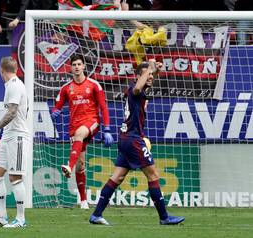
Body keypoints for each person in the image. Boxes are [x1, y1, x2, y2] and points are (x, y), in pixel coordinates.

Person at [89, 59, 185, 225]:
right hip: (133, 139)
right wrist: (151, 66)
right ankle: (164, 217)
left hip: (126, 138)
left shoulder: (139, 89)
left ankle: (96, 214)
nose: (151, 78)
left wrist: (154, 70)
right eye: (148, 75)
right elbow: (139, 86)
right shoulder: (135, 89)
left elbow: (146, 82)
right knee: (153, 174)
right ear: (139, 76)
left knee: (117, 177)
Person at [51, 54, 114, 209]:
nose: (77, 67)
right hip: (74, 126)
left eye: (79, 64)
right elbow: (56, 107)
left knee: (80, 134)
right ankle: (84, 201)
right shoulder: (66, 88)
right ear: (70, 67)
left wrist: (106, 129)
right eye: (74, 65)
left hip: (91, 122)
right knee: (81, 165)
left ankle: (68, 166)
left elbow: (103, 107)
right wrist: (55, 112)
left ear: (84, 66)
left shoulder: (94, 85)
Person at [0, 56, 30, 228]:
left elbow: (12, 113)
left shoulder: (16, 85)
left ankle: (21, 219)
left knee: (15, 177)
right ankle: (1, 217)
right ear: (15, 69)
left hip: (17, 135)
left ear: (1, 70)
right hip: (7, 135)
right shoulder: (11, 85)